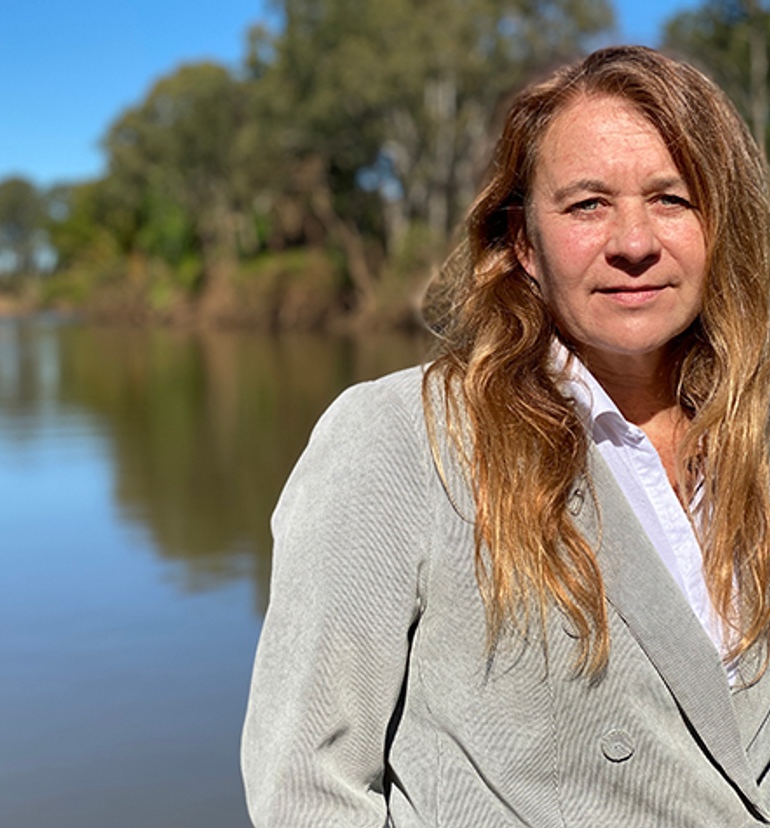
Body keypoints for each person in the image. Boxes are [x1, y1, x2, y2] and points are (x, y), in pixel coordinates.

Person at [241, 45, 770, 826]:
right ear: (522, 242)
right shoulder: (400, 440)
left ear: (720, 225)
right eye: (587, 204)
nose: (633, 241)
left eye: (672, 198)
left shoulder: (753, 437)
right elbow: (305, 790)